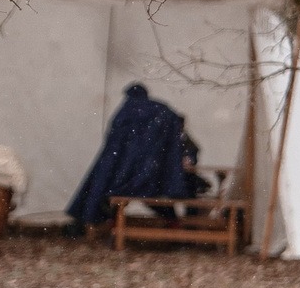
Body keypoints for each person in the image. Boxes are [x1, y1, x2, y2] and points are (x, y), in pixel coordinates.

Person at [65, 83, 201, 232]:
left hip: (132, 178)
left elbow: (114, 145)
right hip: (151, 178)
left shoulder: (128, 113)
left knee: (110, 190)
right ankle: (173, 224)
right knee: (152, 195)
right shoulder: (160, 112)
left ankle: (112, 224)